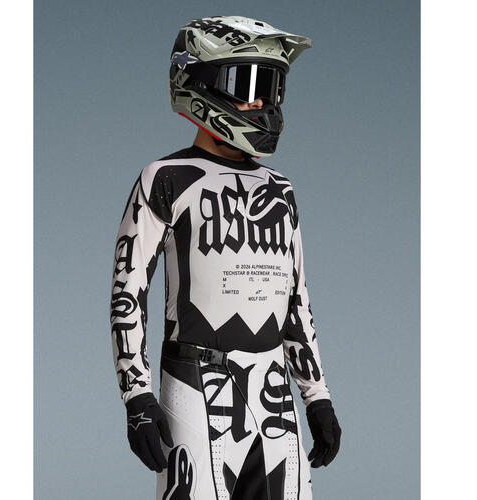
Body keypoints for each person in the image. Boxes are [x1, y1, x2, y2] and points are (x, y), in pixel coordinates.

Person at [110, 15, 341, 500]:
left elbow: (295, 301)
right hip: (195, 383)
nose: (262, 103)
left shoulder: (281, 190)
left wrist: (317, 397)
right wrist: (137, 398)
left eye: (271, 87)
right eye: (246, 85)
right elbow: (128, 292)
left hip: (273, 386)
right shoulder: (165, 178)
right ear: (199, 83)